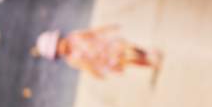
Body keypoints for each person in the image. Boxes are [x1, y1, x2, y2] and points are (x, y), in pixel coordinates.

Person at [32, 26, 162, 80]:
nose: (61, 49)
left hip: (108, 46)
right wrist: (96, 73)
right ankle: (149, 63)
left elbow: (93, 32)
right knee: (130, 60)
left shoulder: (75, 36)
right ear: (57, 55)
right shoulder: (71, 59)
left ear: (59, 38)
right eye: (58, 51)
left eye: (59, 44)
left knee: (130, 48)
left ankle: (148, 52)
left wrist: (107, 28)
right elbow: (85, 66)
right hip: (106, 60)